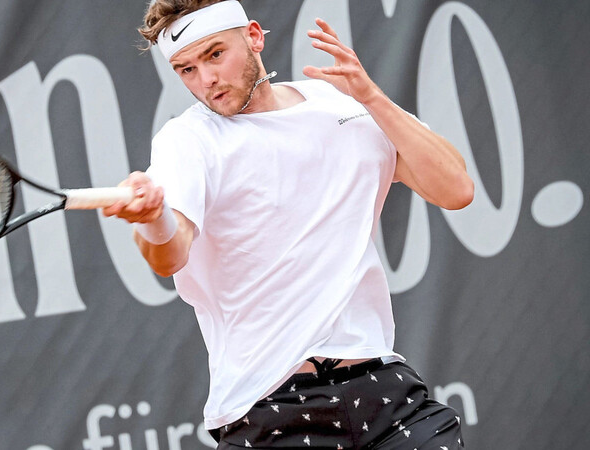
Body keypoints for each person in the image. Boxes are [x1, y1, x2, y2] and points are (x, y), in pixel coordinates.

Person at [103, 1, 474, 448]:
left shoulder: (341, 107)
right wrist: (154, 222)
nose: (206, 81)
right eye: (186, 69)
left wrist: (372, 98)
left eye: (215, 54)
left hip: (383, 390)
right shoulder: (188, 141)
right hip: (269, 409)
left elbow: (456, 190)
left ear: (254, 37)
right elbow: (170, 254)